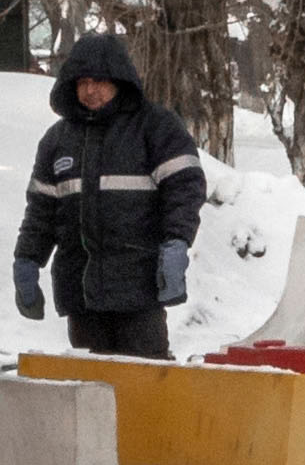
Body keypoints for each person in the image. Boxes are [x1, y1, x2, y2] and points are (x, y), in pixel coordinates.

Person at [11, 28, 205, 358]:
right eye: (82, 82)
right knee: (92, 391)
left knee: (143, 384)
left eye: (99, 81)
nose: (90, 91)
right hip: (80, 292)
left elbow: (185, 188)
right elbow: (41, 211)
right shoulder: (57, 141)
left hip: (139, 288)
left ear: (119, 80)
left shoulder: (155, 127)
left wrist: (176, 242)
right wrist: (27, 259)